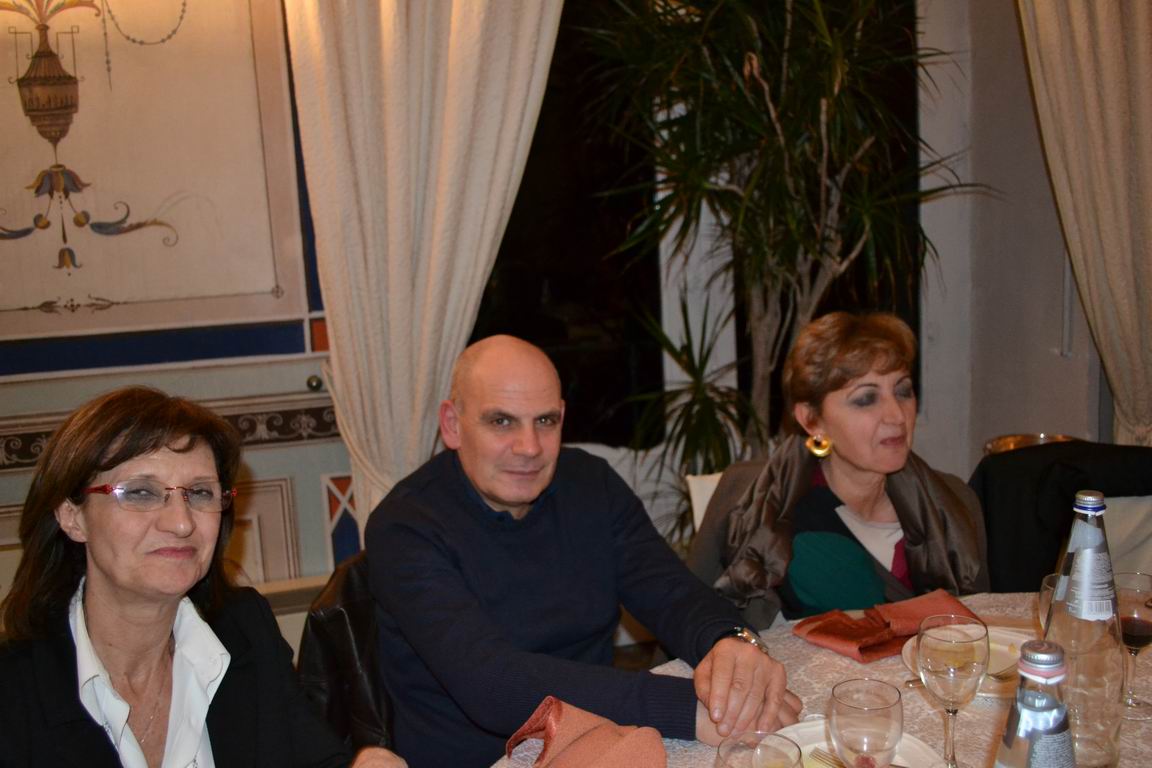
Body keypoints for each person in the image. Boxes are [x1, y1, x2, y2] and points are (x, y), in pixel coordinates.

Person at [366, 335, 802, 768]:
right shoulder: (405, 526)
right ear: (452, 424)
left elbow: (668, 589)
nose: (529, 447)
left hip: (600, 741)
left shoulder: (591, 484)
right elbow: (491, 684)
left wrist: (729, 641)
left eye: (545, 421)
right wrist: (685, 709)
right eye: (501, 421)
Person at [0, 386, 406, 768]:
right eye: (140, 492)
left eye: (199, 493)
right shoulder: (15, 688)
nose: (181, 523)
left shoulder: (245, 630)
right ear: (72, 516)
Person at [688, 312, 989, 629]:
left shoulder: (953, 505)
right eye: (866, 399)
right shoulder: (750, 498)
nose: (897, 415)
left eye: (903, 391)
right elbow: (689, 620)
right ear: (811, 420)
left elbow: (983, 632)